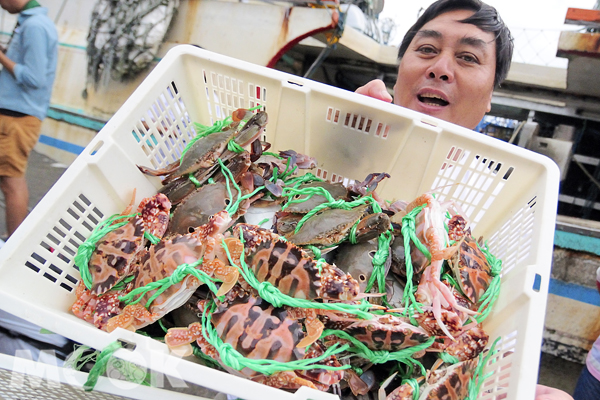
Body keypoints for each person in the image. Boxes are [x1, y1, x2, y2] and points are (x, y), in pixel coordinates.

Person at [357, 1, 573, 399]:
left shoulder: (507, 201)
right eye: (426, 50)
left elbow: (493, 333)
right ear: (400, 66)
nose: (440, 67)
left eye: (468, 57)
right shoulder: (350, 141)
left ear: (490, 95)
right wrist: (344, 134)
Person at [0, 0, 58, 239]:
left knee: (10, 181)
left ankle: (14, 246)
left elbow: (34, 77)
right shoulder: (31, 23)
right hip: (15, 115)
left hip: (18, 118)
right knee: (8, 179)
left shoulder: (34, 26)